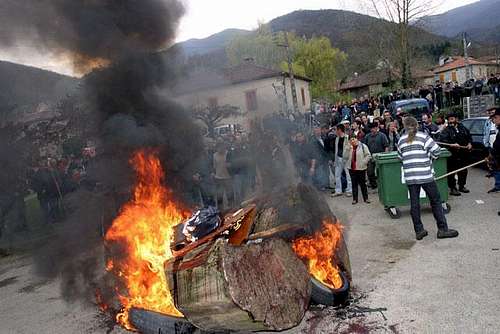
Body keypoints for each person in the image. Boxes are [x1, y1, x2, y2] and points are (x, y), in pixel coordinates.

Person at [398, 116, 459, 240]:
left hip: (410, 177)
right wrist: (429, 158)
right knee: (435, 201)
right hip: (425, 175)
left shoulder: (401, 140)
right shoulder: (424, 137)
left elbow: (400, 157)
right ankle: (442, 229)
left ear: (405, 127)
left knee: (414, 205)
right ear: (417, 125)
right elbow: (437, 151)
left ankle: (419, 231)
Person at [439, 112, 473, 196]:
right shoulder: (446, 130)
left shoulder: (463, 128)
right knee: (451, 172)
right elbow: (442, 141)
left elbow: (469, 137)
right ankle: (452, 188)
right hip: (452, 155)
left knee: (463, 170)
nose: (450, 121)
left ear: (456, 119)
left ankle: (462, 186)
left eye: (452, 119)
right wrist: (452, 144)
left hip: (463, 154)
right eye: (449, 119)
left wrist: (469, 143)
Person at [344, 135, 371, 205]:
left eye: (354, 139)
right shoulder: (349, 147)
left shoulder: (363, 146)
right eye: (351, 140)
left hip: (361, 168)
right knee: (354, 184)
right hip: (352, 168)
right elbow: (345, 157)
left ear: (356, 139)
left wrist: (363, 162)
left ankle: (366, 198)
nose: (352, 141)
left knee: (363, 184)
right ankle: (355, 199)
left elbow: (368, 155)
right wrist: (347, 148)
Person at [363, 122, 389, 188]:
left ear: (377, 128)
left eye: (374, 128)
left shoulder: (382, 135)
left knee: (381, 172)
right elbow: (364, 146)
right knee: (370, 172)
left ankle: (383, 185)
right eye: (372, 128)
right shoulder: (367, 136)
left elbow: (386, 146)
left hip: (380, 156)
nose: (373, 130)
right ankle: (374, 185)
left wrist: (385, 155)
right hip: (370, 156)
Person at [332, 124, 352, 197]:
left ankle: (349, 190)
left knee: (348, 175)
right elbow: (336, 149)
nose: (336, 131)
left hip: (346, 159)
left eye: (336, 130)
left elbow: (350, 148)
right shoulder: (337, 138)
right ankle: (338, 190)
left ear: (339, 130)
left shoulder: (348, 137)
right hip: (338, 158)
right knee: (337, 175)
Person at [213, 142, 234, 208]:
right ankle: (220, 210)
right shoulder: (214, 155)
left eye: (221, 148)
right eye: (218, 148)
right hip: (218, 178)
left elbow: (233, 163)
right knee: (219, 195)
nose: (220, 149)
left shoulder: (228, 154)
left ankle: (231, 207)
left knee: (230, 194)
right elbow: (214, 166)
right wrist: (213, 173)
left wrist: (230, 166)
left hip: (227, 177)